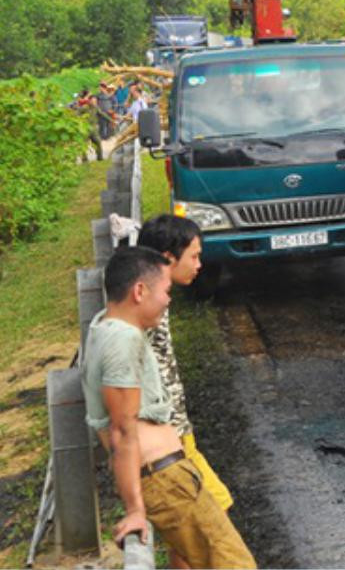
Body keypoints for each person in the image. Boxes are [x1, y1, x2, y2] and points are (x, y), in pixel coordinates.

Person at [82, 247, 255, 569]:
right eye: (165, 291)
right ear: (139, 291)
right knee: (235, 564)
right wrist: (135, 510)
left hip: (167, 474)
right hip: (164, 478)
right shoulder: (122, 340)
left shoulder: (104, 326)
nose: (168, 300)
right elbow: (121, 430)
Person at [137, 215, 236, 568]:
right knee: (212, 511)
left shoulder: (155, 299)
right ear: (166, 258)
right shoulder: (144, 307)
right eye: (193, 256)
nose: (199, 264)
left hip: (177, 434)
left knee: (187, 534)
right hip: (167, 442)